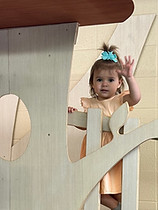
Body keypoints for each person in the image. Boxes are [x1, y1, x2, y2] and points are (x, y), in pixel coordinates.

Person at [68, 43, 141, 210]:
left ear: (119, 82)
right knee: (92, 186)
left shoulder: (120, 100)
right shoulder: (90, 104)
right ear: (92, 83)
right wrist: (74, 114)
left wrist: (130, 77)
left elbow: (136, 98)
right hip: (94, 150)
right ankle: (117, 207)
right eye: (99, 80)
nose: (104, 84)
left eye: (110, 80)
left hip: (116, 150)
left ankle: (123, 205)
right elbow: (84, 126)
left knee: (118, 185)